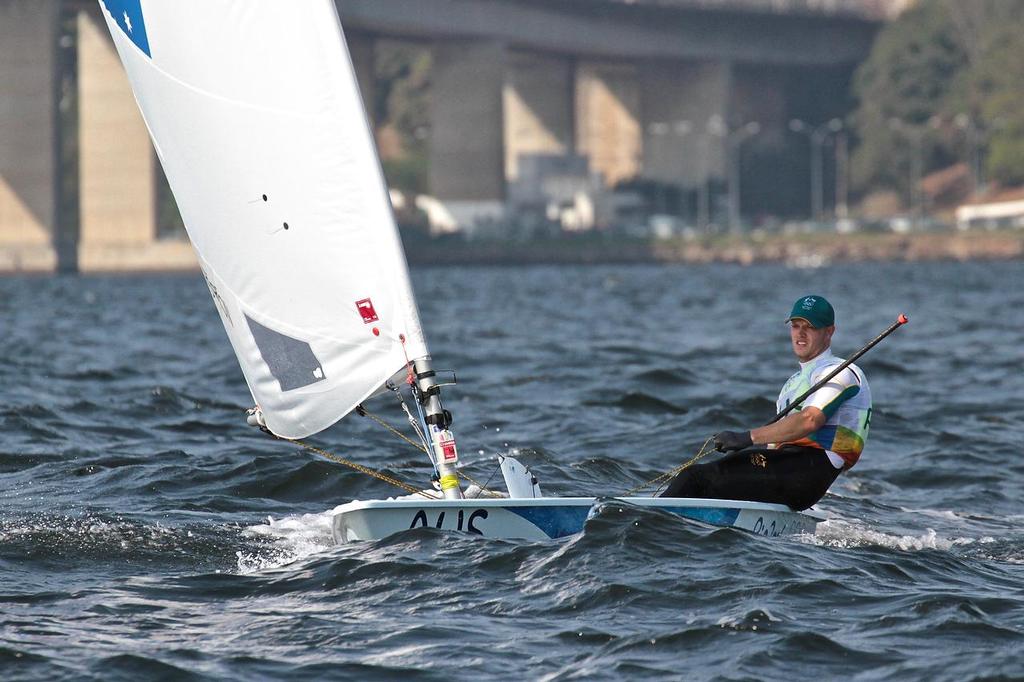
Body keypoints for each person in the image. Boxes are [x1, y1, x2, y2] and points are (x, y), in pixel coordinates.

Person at [661, 295, 872, 510]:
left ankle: (653, 523)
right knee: (710, 476)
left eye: (810, 327)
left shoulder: (841, 371)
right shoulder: (792, 384)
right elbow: (776, 443)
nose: (800, 333)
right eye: (795, 326)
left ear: (829, 332)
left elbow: (810, 420)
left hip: (812, 469)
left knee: (695, 478)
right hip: (787, 466)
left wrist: (747, 437)